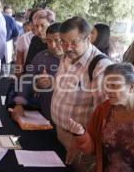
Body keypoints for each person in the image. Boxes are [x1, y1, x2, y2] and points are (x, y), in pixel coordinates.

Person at [67, 63, 134, 172]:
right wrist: (81, 134)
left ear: (132, 86)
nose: (108, 91)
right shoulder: (102, 110)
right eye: (106, 85)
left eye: (114, 85)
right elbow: (92, 150)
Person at [50, 16, 112, 171]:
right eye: (63, 42)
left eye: (73, 42)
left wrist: (83, 142)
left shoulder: (101, 67)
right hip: (59, 132)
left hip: (80, 142)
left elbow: (105, 117)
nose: (67, 47)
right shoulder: (66, 56)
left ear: (88, 38)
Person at [9, 22, 63, 121]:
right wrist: (20, 103)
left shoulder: (74, 59)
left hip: (66, 116)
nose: (53, 45)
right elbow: (27, 79)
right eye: (49, 41)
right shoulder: (41, 56)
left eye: (57, 41)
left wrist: (53, 83)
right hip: (44, 112)